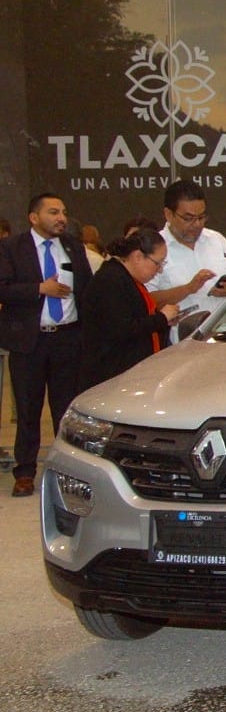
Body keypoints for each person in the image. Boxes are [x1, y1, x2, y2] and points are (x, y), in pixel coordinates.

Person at [0, 193, 91, 497]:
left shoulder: (73, 246)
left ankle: (69, 471)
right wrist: (40, 288)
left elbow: (87, 289)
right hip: (30, 341)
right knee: (28, 409)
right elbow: (3, 288)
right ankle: (25, 471)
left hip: (68, 339)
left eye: (63, 212)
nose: (61, 218)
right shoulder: (12, 248)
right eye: (53, 212)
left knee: (65, 409)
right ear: (33, 217)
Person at [78, 227, 180, 390]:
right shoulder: (110, 280)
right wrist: (161, 318)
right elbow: (123, 329)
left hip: (131, 372)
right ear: (138, 256)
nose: (160, 270)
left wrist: (164, 321)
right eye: (158, 263)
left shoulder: (129, 279)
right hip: (111, 375)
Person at [147, 180, 226, 337]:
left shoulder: (216, 239)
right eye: (188, 218)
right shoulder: (154, 247)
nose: (197, 224)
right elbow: (147, 301)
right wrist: (188, 289)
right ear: (169, 214)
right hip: (183, 342)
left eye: (201, 217)